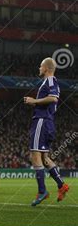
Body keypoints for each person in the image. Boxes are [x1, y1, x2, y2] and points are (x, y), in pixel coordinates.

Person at [23, 57, 69, 206]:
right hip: (47, 121)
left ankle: (42, 191)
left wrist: (34, 101)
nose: (39, 68)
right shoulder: (48, 81)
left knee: (35, 156)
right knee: (45, 158)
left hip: (42, 121)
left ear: (47, 68)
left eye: (40, 66)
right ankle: (62, 185)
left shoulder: (50, 80)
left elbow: (54, 98)